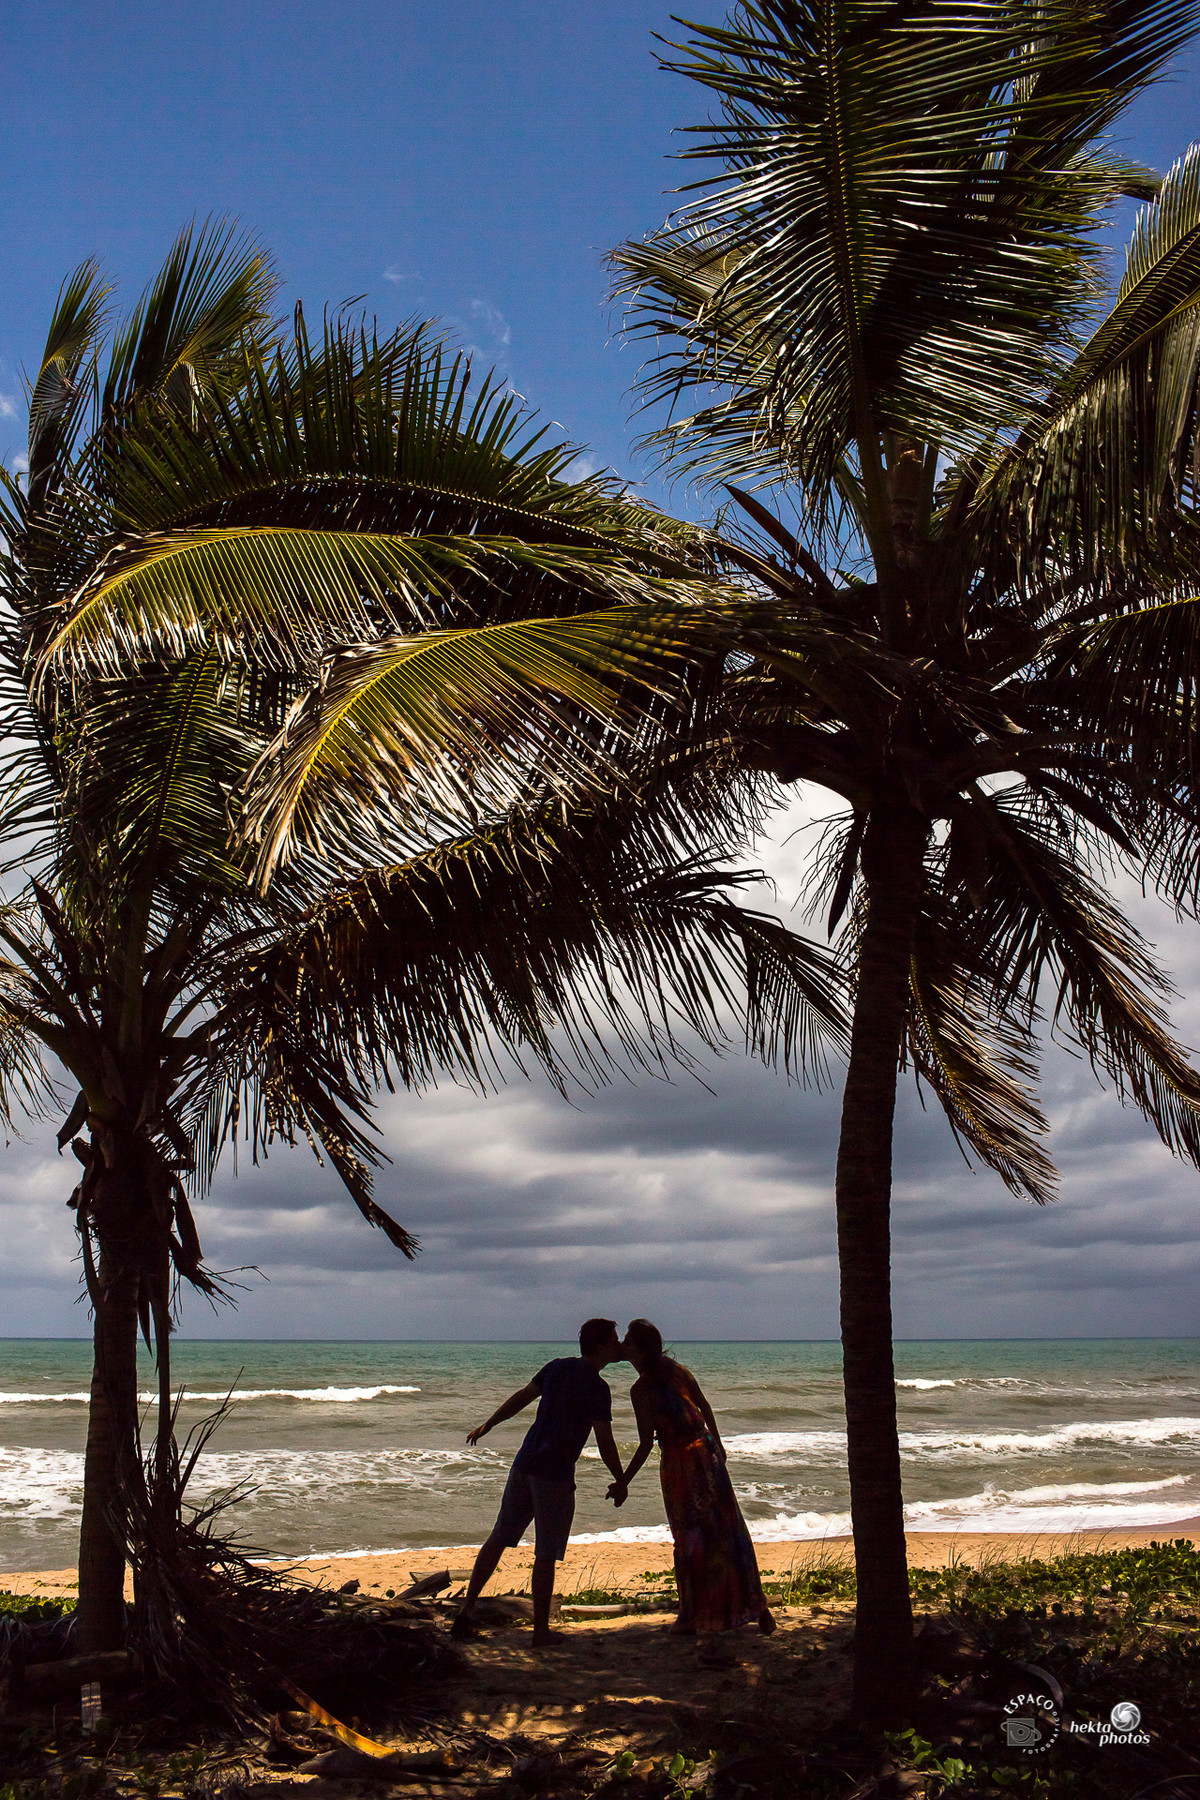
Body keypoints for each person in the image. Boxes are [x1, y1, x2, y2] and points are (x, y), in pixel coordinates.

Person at [451, 1318, 627, 1646]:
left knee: (499, 1537)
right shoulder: (597, 1388)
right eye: (614, 1340)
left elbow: (521, 1397)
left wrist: (489, 1424)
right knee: (545, 1553)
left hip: (525, 1464)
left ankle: (465, 1612)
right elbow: (605, 1441)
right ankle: (541, 1632)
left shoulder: (557, 1367)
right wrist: (621, 1479)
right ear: (601, 1346)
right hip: (554, 1475)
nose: (619, 1345)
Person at [609, 1319, 774, 1641]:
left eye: (628, 1341)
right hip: (706, 1453)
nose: (623, 1345)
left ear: (639, 1350)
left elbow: (645, 1443)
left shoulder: (641, 1390)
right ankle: (759, 1609)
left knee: (689, 1540)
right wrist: (718, 1443)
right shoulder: (674, 1369)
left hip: (681, 1463)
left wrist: (623, 1481)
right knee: (729, 1531)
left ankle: (690, 1617)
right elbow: (704, 1405)